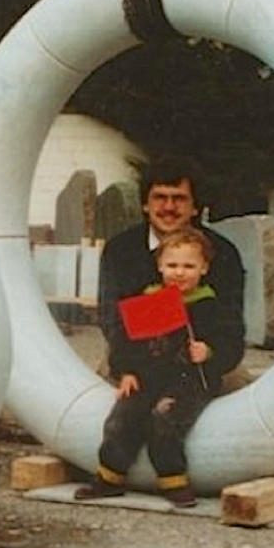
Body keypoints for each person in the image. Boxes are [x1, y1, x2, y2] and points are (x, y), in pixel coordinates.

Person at [76, 228, 244, 506]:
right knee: (122, 417)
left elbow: (231, 344)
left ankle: (173, 480)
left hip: (190, 381)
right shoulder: (153, 299)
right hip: (148, 377)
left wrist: (209, 352)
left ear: (204, 268)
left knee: (165, 417)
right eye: (172, 265)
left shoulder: (211, 305)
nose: (179, 273)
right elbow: (127, 341)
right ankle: (109, 477)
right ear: (160, 266)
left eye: (189, 266)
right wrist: (127, 371)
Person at [96, 156, 244, 377]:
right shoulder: (119, 250)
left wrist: (207, 356)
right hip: (133, 360)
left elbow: (231, 328)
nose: (169, 207)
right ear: (145, 204)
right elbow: (112, 319)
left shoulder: (222, 252)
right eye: (160, 197)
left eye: (179, 198)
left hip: (204, 365)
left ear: (195, 207)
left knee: (241, 390)